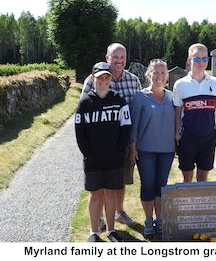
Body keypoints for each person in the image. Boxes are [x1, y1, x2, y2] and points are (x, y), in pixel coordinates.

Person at [81, 43, 141, 226]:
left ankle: (119, 212)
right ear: (107, 58)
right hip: (98, 144)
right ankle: (98, 219)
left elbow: (137, 111)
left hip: (123, 141)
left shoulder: (134, 80)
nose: (119, 61)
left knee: (121, 179)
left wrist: (132, 143)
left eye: (122, 57)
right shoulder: (92, 80)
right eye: (115, 57)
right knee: (98, 184)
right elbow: (83, 112)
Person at [75, 62, 132, 242]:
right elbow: (80, 133)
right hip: (93, 160)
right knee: (95, 194)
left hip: (114, 158)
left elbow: (126, 128)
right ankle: (94, 232)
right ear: (94, 79)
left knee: (110, 193)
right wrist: (88, 154)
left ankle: (111, 230)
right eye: (100, 77)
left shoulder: (119, 100)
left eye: (107, 77)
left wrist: (119, 151)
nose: (104, 80)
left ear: (111, 79)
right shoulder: (84, 103)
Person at [129, 59, 175, 236]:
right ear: (149, 74)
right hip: (145, 149)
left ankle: (160, 219)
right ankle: (148, 220)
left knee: (161, 186)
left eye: (163, 72)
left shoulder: (172, 97)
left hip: (167, 149)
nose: (159, 76)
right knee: (148, 185)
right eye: (156, 72)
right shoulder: (140, 96)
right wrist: (132, 147)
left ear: (167, 76)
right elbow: (134, 125)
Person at [173, 43, 216, 182]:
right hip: (187, 139)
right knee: (187, 177)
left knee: (203, 178)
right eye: (196, 58)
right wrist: (177, 134)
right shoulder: (180, 84)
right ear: (189, 60)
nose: (200, 62)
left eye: (204, 58)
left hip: (208, 138)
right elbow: (177, 111)